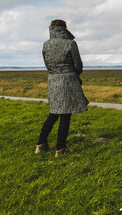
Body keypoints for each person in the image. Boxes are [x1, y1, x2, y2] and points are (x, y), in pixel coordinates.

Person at [35, 19, 89, 157]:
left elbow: (47, 64)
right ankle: (60, 149)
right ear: (64, 28)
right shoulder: (70, 43)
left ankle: (40, 145)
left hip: (53, 80)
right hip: (68, 80)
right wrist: (75, 74)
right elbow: (78, 64)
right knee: (65, 115)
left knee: (53, 114)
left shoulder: (45, 45)